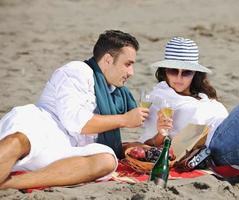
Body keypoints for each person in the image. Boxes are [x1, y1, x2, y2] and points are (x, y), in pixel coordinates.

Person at [0, 30, 149, 189]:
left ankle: (10, 184)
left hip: (65, 148)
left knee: (107, 160)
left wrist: (148, 136)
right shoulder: (77, 71)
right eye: (128, 64)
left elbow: (113, 139)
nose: (131, 72)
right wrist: (124, 120)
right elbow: (77, 123)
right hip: (42, 126)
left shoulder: (117, 93)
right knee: (20, 140)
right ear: (107, 60)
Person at [138, 37, 239, 183]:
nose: (179, 78)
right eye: (173, 70)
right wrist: (161, 132)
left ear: (195, 73)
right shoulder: (160, 96)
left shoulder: (202, 95)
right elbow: (146, 145)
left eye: (186, 72)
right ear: (164, 70)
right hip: (215, 152)